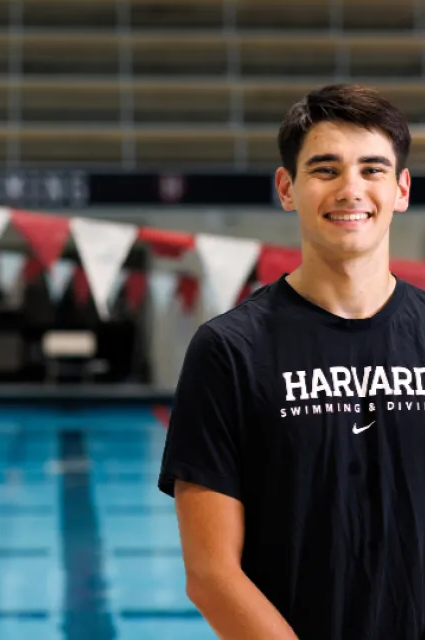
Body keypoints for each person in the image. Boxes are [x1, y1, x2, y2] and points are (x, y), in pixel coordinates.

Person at [157, 83, 425, 639]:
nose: (351, 189)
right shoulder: (230, 352)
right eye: (325, 170)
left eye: (372, 170)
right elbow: (211, 574)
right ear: (287, 188)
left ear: (401, 189)